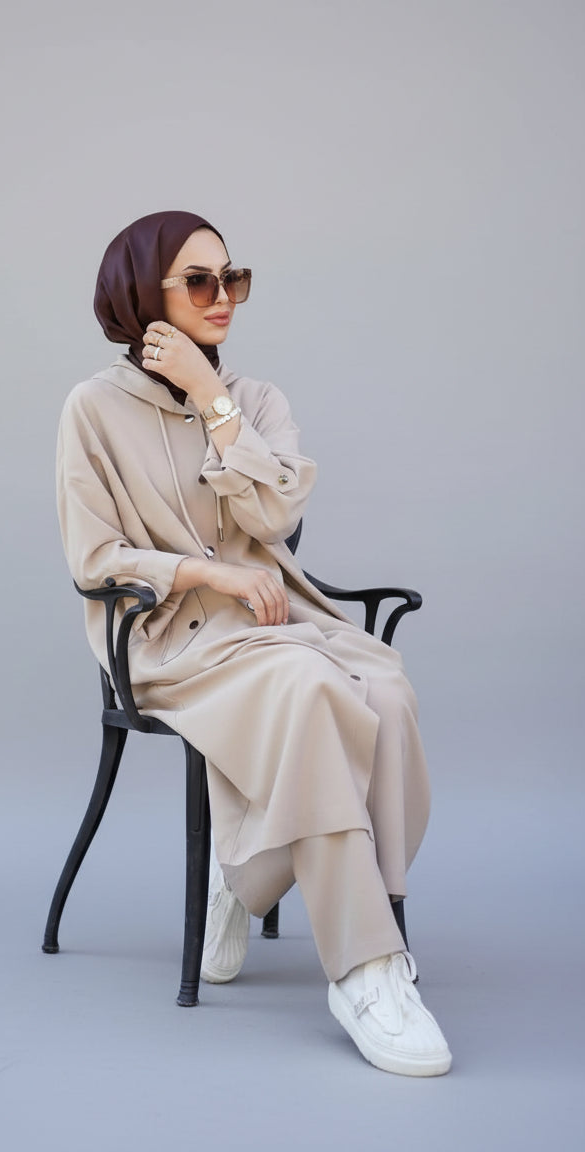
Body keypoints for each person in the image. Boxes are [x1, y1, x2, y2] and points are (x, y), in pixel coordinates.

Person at [56, 210, 452, 1077]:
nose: (224, 297)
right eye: (200, 281)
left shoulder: (254, 400)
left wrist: (211, 397)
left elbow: (275, 514)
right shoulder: (92, 410)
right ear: (143, 293)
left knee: (386, 691)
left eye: (234, 278)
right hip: (172, 642)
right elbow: (94, 559)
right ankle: (364, 972)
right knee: (313, 689)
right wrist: (211, 574)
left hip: (276, 626)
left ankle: (253, 878)